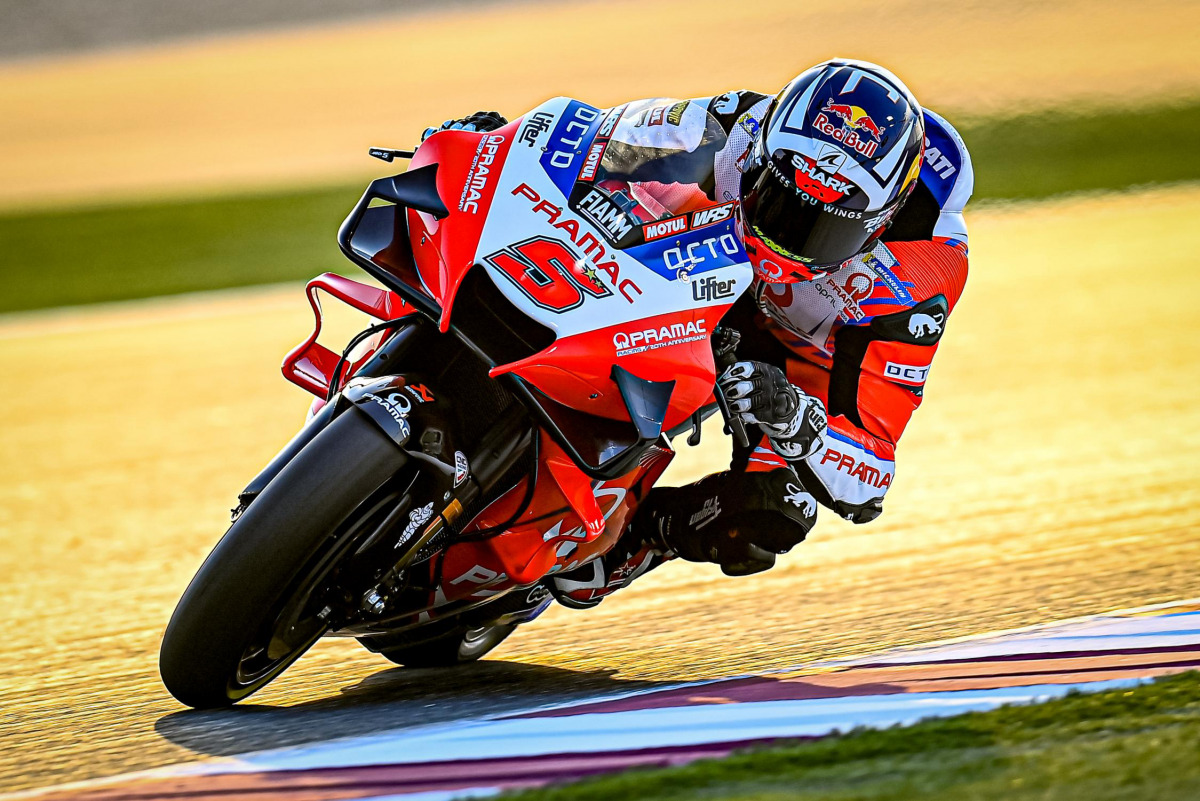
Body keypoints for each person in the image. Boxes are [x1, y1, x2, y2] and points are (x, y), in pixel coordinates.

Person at [427, 58, 973, 606]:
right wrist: (499, 143)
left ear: (878, 224)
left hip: (787, 364)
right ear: (761, 153)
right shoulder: (733, 123)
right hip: (699, 270)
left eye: (822, 229)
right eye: (778, 200)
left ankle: (640, 537)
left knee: (776, 510)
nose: (786, 238)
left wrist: (794, 418)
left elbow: (872, 473)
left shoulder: (920, 279)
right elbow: (588, 142)